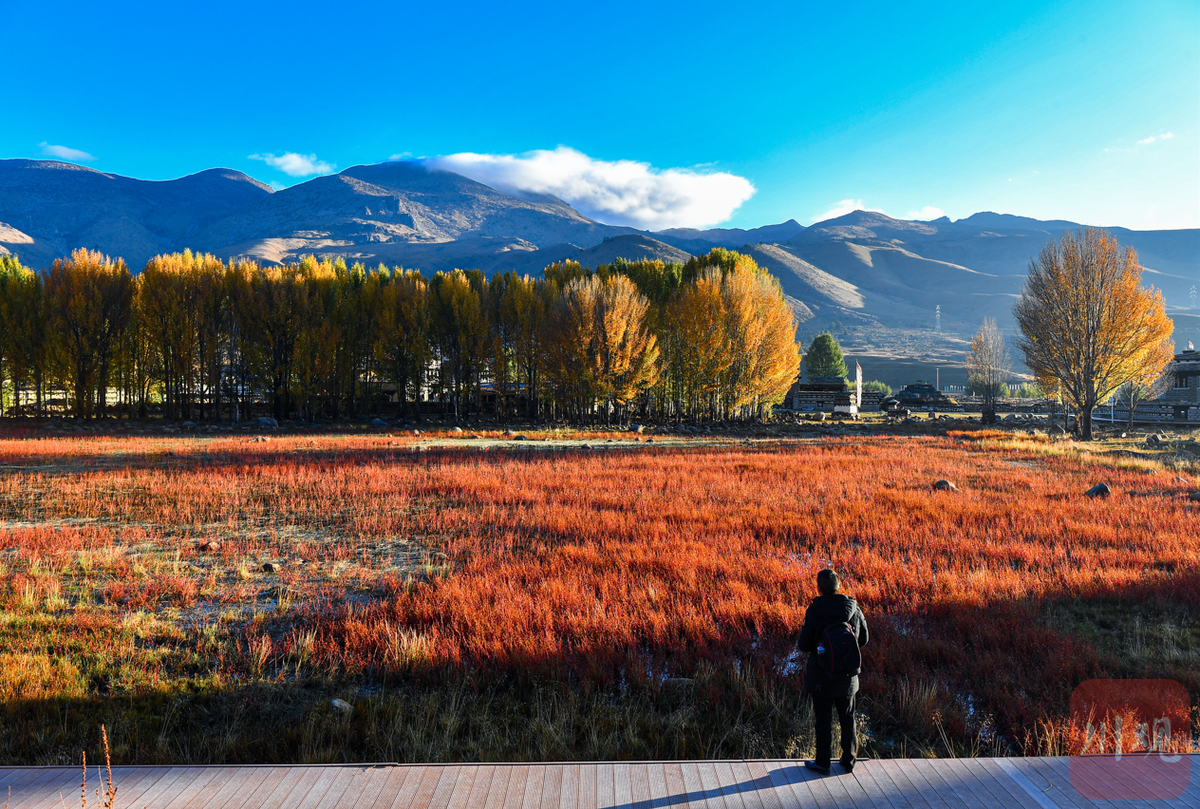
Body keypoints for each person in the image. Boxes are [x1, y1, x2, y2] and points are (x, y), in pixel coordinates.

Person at [797, 568, 869, 775]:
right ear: (838, 586)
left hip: (821, 675)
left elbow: (803, 644)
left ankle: (823, 763)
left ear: (819, 588)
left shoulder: (814, 610)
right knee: (848, 717)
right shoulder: (853, 607)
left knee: (823, 720)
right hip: (848, 675)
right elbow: (863, 639)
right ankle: (849, 761)